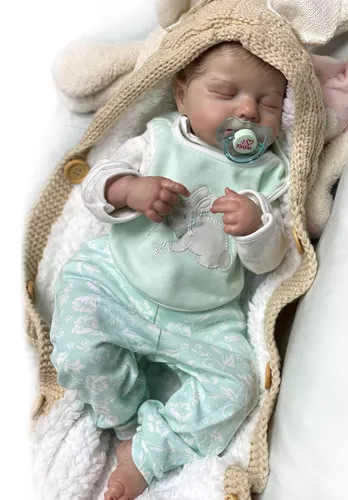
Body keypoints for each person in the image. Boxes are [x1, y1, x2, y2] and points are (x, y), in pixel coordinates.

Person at [50, 41, 290, 499]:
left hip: (204, 316)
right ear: (181, 96)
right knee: (79, 347)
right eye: (226, 93)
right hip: (119, 282)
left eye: (268, 103)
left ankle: (149, 450)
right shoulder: (158, 139)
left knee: (237, 388)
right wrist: (128, 189)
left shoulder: (267, 175)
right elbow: (96, 186)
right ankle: (125, 419)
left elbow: (270, 260)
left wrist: (255, 228)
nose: (247, 110)